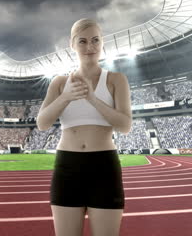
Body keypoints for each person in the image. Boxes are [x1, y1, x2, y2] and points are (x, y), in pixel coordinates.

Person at [36, 18, 132, 236]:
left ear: (102, 42)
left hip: (104, 167)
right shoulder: (60, 82)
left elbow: (125, 126)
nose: (90, 47)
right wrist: (66, 97)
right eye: (83, 41)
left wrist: (92, 98)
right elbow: (42, 123)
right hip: (67, 167)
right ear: (72, 44)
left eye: (95, 40)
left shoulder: (116, 80)